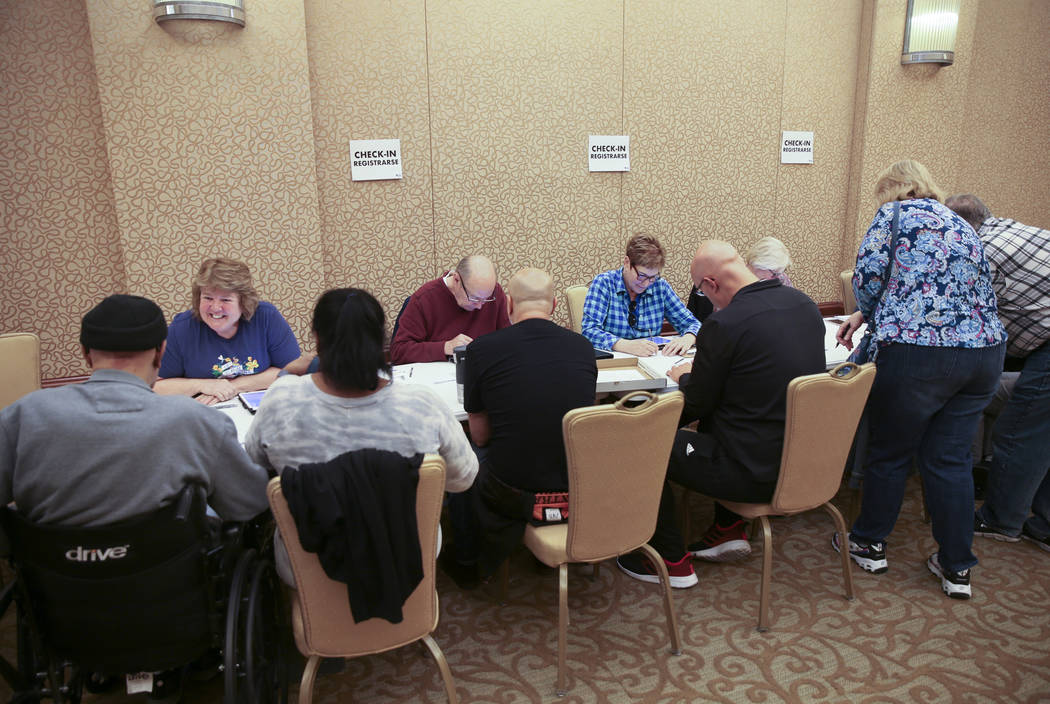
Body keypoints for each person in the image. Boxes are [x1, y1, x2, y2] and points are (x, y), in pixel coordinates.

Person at [835, 161, 1006, 599]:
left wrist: (869, 313)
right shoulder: (961, 222)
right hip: (983, 353)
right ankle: (957, 567)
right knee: (950, 460)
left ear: (892, 191)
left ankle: (869, 543)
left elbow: (869, 281)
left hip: (919, 354)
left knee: (890, 452)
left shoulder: (892, 216)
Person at [616, 241, 825, 588]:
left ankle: (670, 560)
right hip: (802, 465)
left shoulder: (725, 323)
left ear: (710, 285)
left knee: (645, 443)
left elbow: (696, 404)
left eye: (701, 292)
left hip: (750, 474)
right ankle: (727, 529)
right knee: (734, 411)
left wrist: (684, 377)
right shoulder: (803, 304)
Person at [243, 288, 478, 584]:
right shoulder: (422, 405)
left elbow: (253, 463)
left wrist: (286, 375)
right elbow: (464, 478)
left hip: (311, 571)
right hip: (408, 558)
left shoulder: (282, 401)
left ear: (316, 338)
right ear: (382, 341)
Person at [0, 293, 270, 527]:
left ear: (84, 352)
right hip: (171, 577)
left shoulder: (23, 416)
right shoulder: (199, 420)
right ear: (160, 352)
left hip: (49, 578)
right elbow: (247, 504)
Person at [443, 268, 597, 584]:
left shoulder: (481, 350)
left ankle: (469, 560)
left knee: (464, 455)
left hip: (512, 490)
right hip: (578, 486)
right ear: (554, 305)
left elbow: (481, 435)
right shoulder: (583, 347)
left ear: (508, 303)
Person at [945, 193, 1050, 554]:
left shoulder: (983, 252)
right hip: (1038, 346)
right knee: (1044, 435)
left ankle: (1000, 520)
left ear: (958, 226)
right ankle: (1044, 522)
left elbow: (961, 316)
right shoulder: (1014, 230)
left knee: (1020, 433)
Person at [155, 258, 302, 405]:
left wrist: (232, 387)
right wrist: (202, 385)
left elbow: (293, 371)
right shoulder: (182, 328)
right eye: (208, 298)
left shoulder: (266, 317)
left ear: (243, 302)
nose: (215, 308)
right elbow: (156, 386)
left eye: (225, 300)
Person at [581, 234, 699, 357]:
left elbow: (693, 324)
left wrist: (688, 338)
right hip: (614, 362)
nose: (647, 283)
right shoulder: (604, 283)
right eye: (642, 276)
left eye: (653, 277)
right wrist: (625, 345)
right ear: (627, 263)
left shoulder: (660, 286)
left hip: (651, 361)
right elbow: (589, 331)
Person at [389, 256, 511, 364]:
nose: (480, 306)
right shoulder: (424, 299)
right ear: (456, 279)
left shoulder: (495, 293)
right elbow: (399, 351)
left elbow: (507, 340)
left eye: (486, 299)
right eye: (474, 298)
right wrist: (446, 347)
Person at [686, 236, 795, 322]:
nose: (776, 278)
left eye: (781, 272)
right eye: (774, 273)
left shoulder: (782, 282)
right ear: (758, 264)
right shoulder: (722, 280)